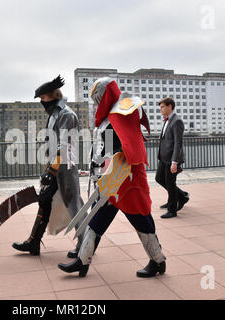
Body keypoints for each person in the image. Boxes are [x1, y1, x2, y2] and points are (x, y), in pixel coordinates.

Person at [57, 77, 166, 278]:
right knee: (96, 220)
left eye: (99, 97)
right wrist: (95, 170)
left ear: (107, 93)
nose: (97, 102)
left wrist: (109, 167)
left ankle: (158, 261)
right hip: (109, 182)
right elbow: (103, 149)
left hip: (127, 182)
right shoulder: (107, 118)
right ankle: (82, 261)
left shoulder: (123, 113)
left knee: (141, 220)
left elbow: (126, 147)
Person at [12, 75, 85, 258]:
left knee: (74, 204)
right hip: (55, 165)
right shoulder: (54, 113)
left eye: (43, 98)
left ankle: (86, 243)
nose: (42, 102)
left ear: (53, 95)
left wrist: (52, 170)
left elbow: (64, 145)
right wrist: (49, 167)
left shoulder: (66, 114)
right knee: (44, 200)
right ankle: (33, 242)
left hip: (65, 166)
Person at [155, 97, 189, 219]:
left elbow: (177, 143)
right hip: (163, 157)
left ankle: (172, 210)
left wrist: (174, 162)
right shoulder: (168, 120)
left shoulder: (177, 121)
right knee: (159, 178)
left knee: (170, 183)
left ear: (170, 107)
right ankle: (181, 196)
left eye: (162, 107)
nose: (161, 110)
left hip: (171, 159)